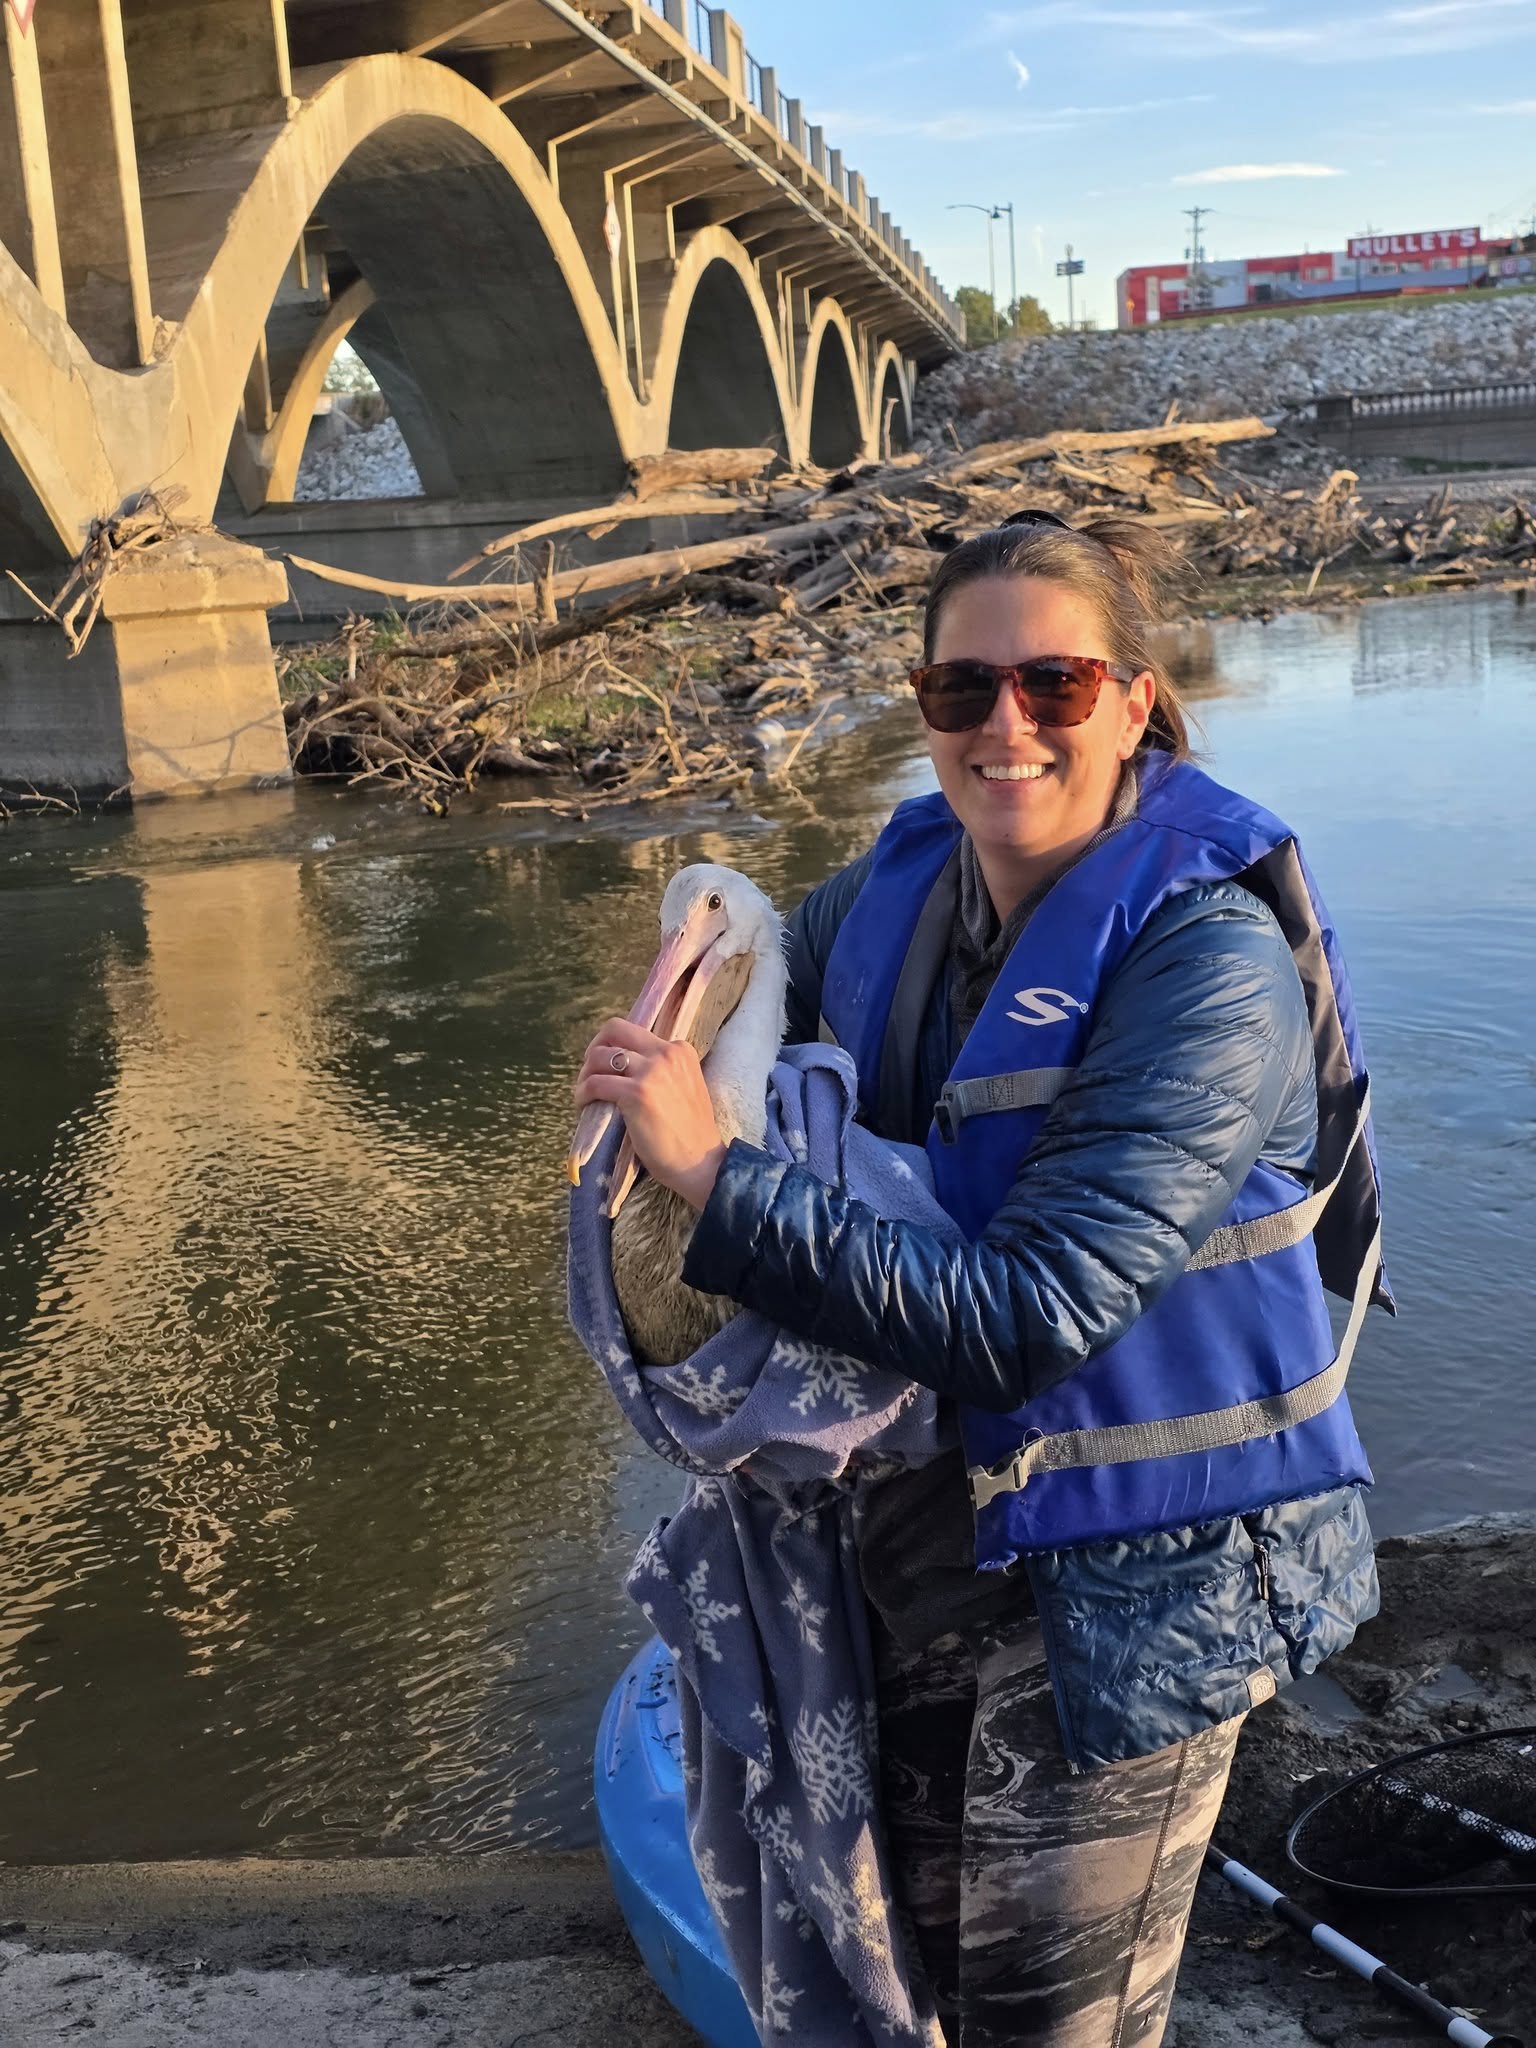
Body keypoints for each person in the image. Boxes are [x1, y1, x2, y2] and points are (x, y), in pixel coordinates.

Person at [573, 510, 1389, 2048]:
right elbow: (756, 981)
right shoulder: (893, 893)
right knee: (918, 1987)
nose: (1002, 727)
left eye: (1056, 686)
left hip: (1131, 1591)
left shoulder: (1209, 964)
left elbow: (1033, 1317)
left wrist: (713, 1176)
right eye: (960, 692)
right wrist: (673, 1056)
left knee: (1047, 2024)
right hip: (920, 1546)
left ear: (1137, 701)